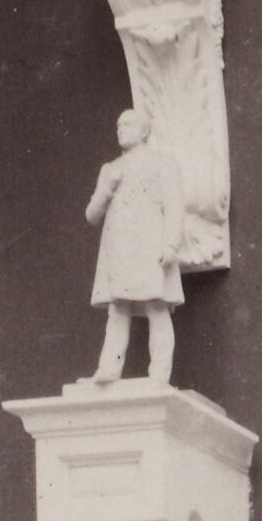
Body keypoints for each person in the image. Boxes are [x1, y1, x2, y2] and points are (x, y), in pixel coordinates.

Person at [83, 107, 186, 385]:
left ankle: (159, 374)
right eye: (118, 125)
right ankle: (109, 368)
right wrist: (106, 189)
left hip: (150, 245)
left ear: (143, 131)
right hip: (119, 247)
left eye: (127, 124)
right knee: (118, 309)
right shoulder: (110, 169)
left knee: (156, 306)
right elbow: (92, 215)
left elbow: (175, 206)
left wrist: (171, 244)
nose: (121, 129)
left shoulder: (163, 164)